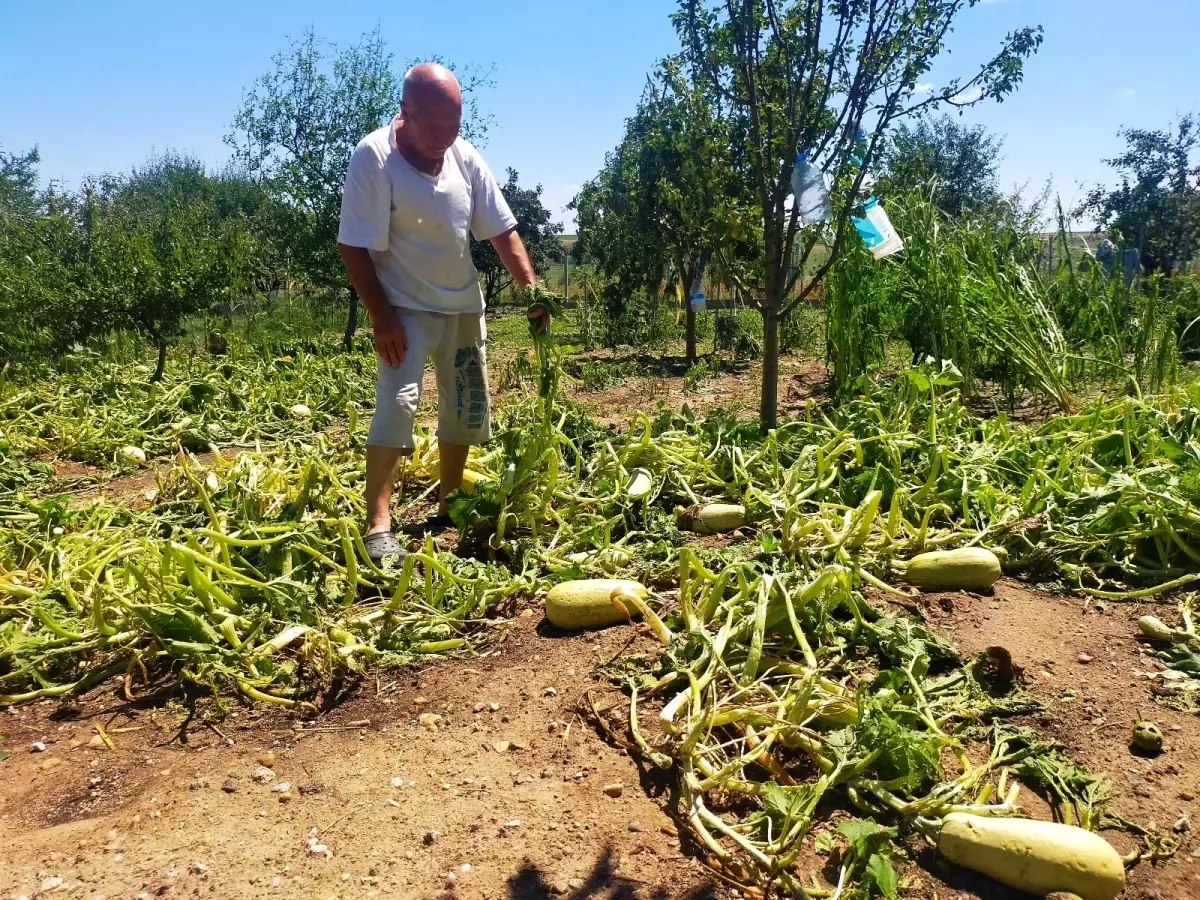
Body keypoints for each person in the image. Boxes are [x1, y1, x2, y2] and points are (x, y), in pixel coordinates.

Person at [337, 62, 548, 564]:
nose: (444, 138)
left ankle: (450, 503)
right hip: (403, 309)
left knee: (468, 405)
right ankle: (379, 524)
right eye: (434, 127)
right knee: (399, 403)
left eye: (453, 127)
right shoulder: (375, 157)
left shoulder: (463, 156)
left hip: (461, 306)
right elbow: (353, 247)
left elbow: (502, 229)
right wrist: (381, 317)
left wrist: (532, 289)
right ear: (405, 113)